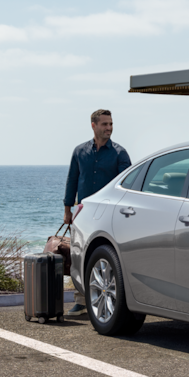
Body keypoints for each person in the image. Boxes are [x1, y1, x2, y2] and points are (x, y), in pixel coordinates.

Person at [63, 109, 131, 315]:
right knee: (79, 256)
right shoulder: (79, 151)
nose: (109, 128)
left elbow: (128, 187)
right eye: (104, 124)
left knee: (104, 255)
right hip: (83, 213)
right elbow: (72, 180)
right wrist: (67, 210)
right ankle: (81, 300)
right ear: (93, 125)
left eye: (111, 124)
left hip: (108, 214)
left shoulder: (120, 153)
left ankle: (110, 299)